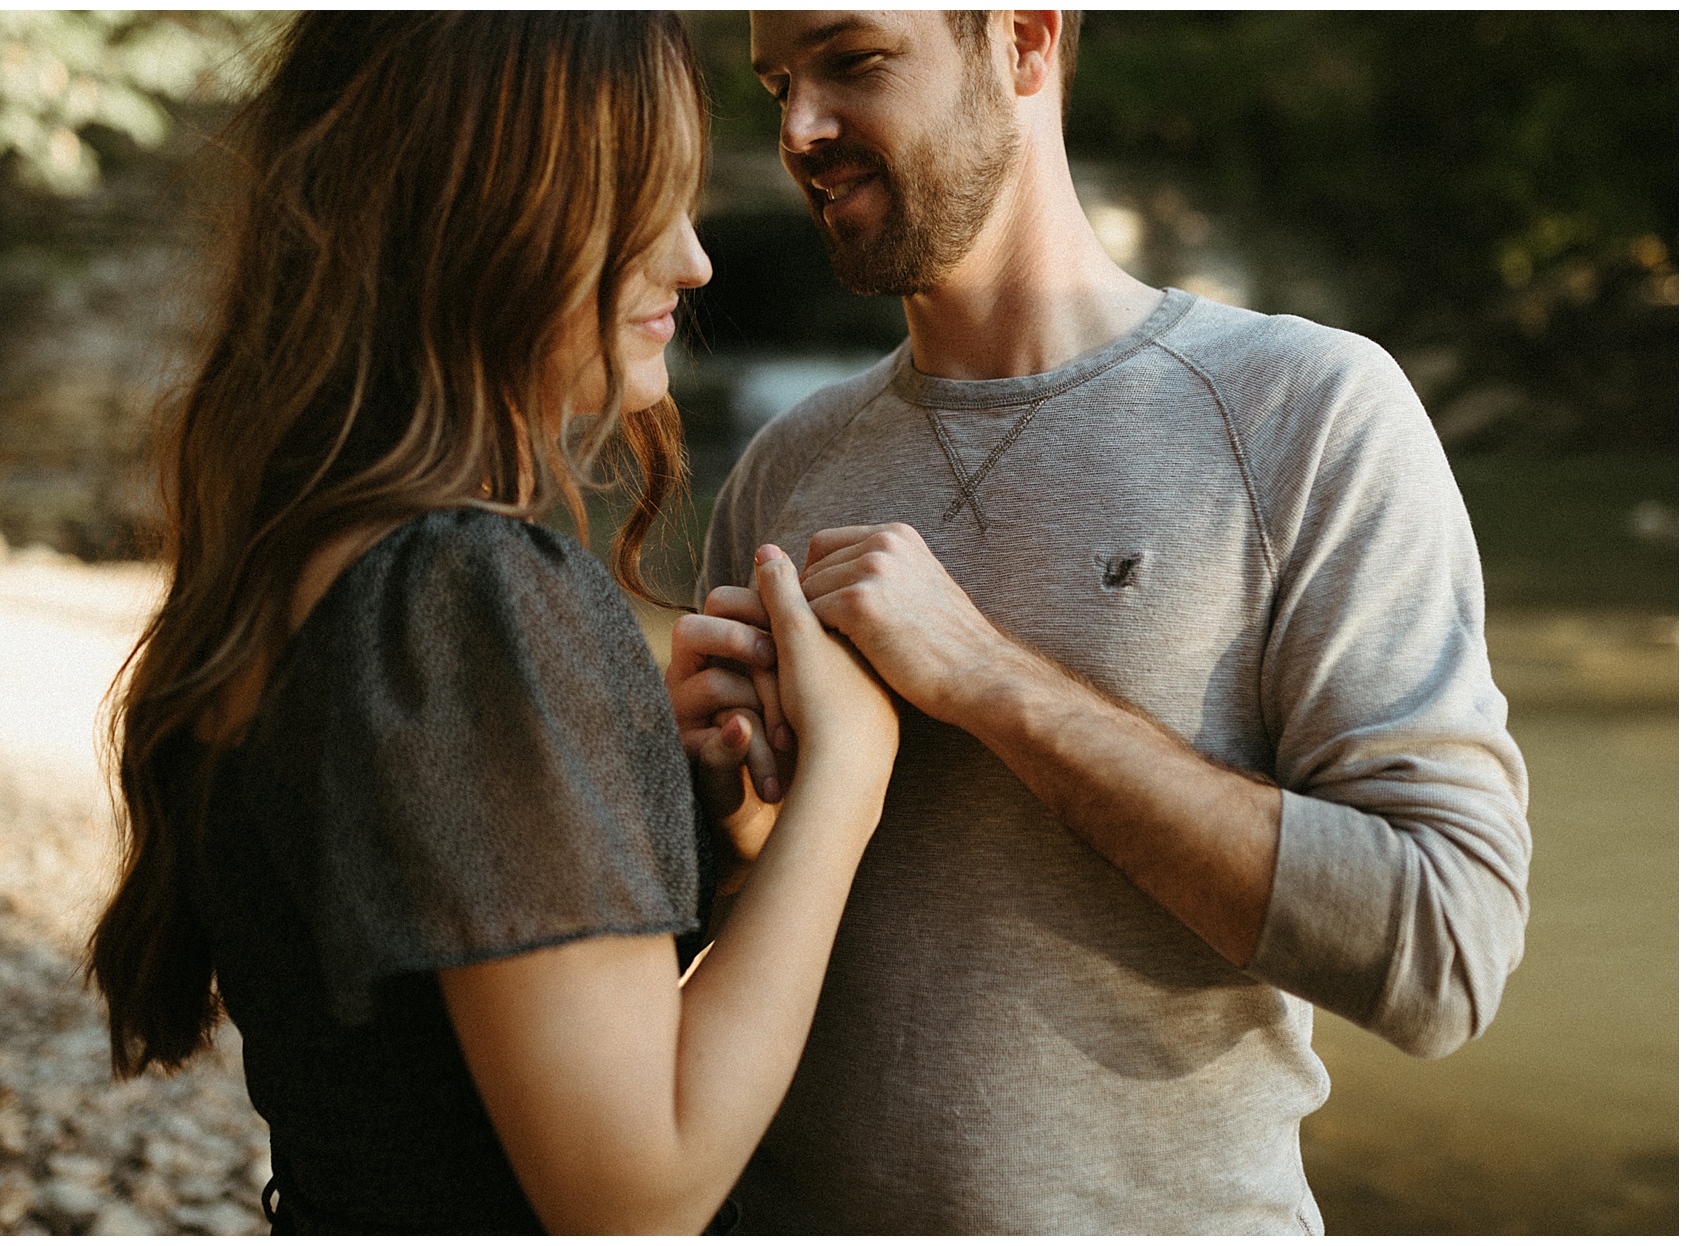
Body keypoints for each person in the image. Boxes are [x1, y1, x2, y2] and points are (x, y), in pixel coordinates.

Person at [668, 10, 1531, 1233]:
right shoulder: (783, 469)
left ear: (1023, 39)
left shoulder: (1310, 415)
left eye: (853, 62)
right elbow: (730, 948)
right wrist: (710, 817)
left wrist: (993, 683)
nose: (802, 127)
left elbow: (1446, 952)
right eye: (776, 82)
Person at [87, 13, 900, 1235]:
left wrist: (669, 812)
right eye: (648, 204)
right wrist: (849, 780)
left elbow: (420, 1035)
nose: (694, 261)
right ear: (498, 207)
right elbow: (635, 1194)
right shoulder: (460, 589)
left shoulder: (291, 562)